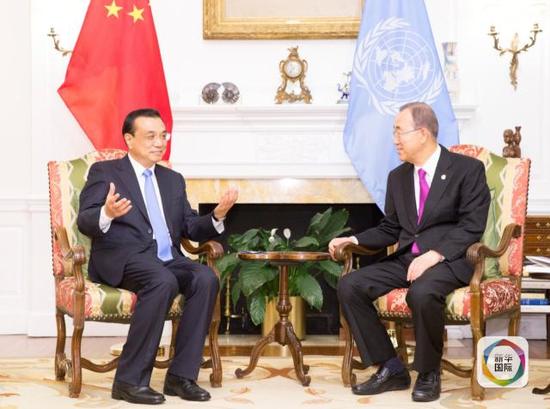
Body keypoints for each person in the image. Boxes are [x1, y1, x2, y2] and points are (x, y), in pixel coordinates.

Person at [329, 102, 490, 402]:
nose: (394, 139)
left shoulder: (467, 170)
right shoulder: (398, 177)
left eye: (399, 131)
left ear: (423, 133)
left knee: (422, 292)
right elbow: (391, 228)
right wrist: (353, 239)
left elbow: (471, 225)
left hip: (450, 260)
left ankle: (428, 372)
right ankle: (391, 367)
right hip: (407, 259)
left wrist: (435, 254)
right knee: (350, 284)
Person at [77, 108, 238, 405]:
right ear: (129, 139)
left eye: (163, 135)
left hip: (167, 259)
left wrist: (216, 216)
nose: (159, 142)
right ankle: (128, 381)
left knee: (205, 277)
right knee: (162, 280)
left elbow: (189, 227)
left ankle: (180, 377)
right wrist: (106, 213)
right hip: (124, 257)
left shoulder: (172, 179)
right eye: (150, 136)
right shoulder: (106, 172)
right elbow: (84, 221)